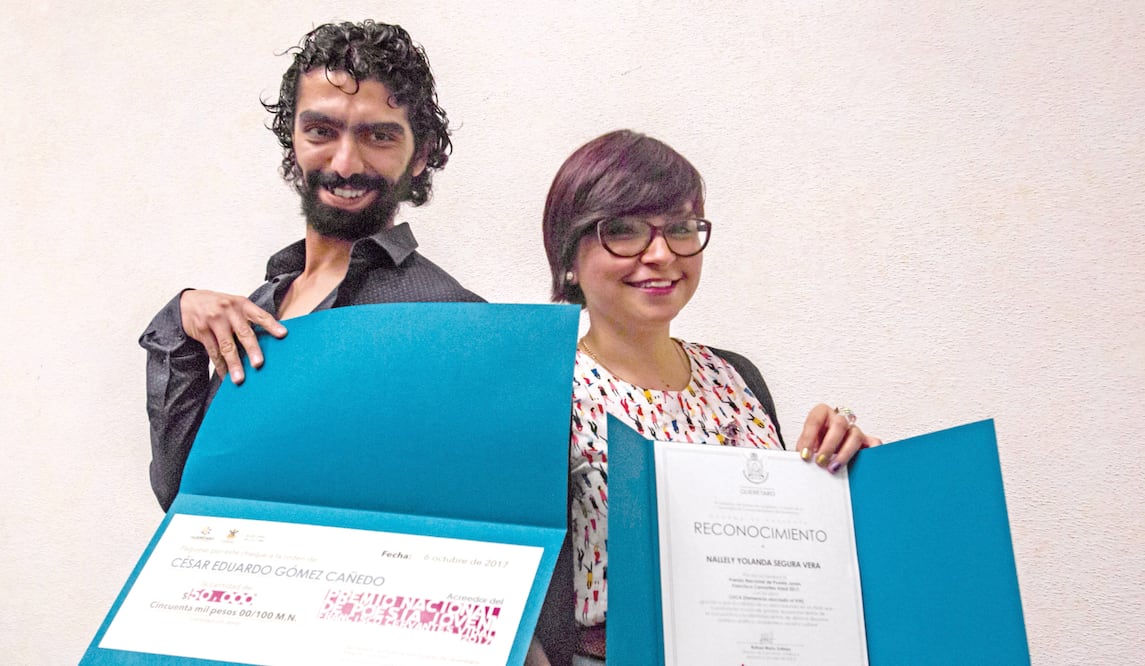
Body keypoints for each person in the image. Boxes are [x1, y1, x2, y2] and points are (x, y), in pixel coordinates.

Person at [531, 130, 881, 665]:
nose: (660, 253)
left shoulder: (736, 377)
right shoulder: (546, 393)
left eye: (679, 228)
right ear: (568, 257)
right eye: (622, 231)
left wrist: (841, 472)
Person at [139, 21, 481, 512]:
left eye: (378, 136)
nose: (345, 163)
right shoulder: (259, 306)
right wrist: (181, 319)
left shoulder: (454, 317)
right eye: (321, 131)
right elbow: (181, 495)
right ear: (293, 143)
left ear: (419, 155)